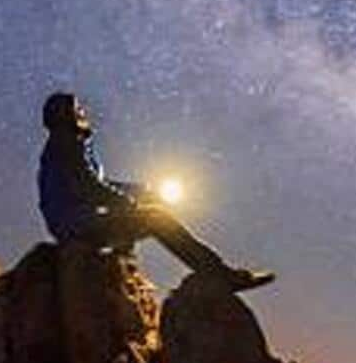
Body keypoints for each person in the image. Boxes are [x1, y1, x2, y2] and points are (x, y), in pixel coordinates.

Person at [36, 91, 275, 292]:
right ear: (65, 115)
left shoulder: (66, 145)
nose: (83, 112)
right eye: (77, 108)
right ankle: (220, 275)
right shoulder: (66, 143)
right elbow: (89, 188)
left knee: (137, 212)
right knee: (157, 219)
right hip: (77, 225)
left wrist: (139, 191)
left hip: (73, 222)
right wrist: (129, 203)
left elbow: (95, 183)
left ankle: (123, 261)